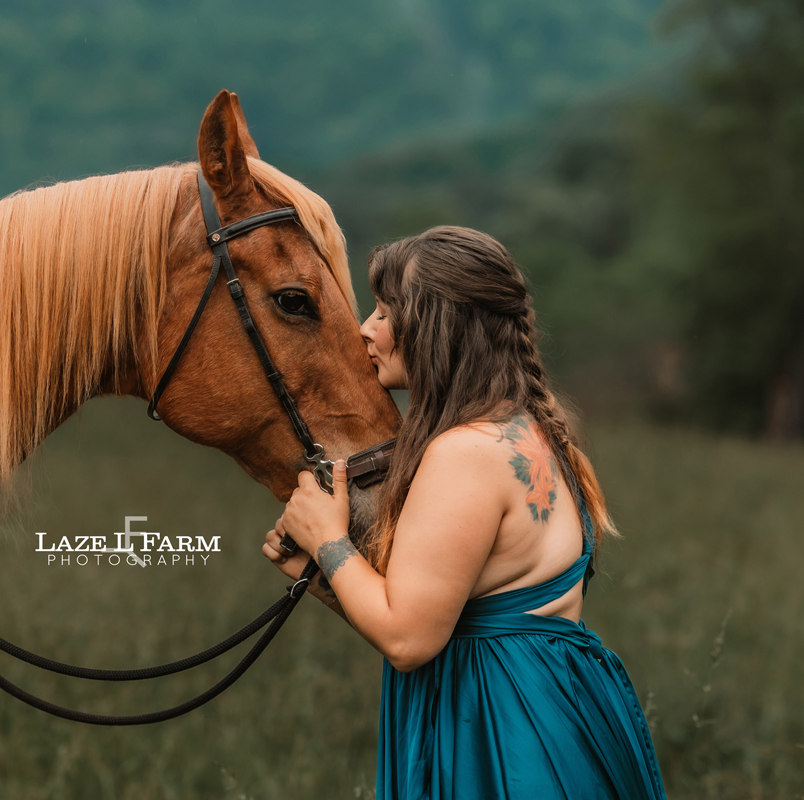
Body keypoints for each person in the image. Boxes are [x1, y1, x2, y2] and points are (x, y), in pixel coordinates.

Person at [262, 226, 666, 799]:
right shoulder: (542, 432)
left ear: (435, 327)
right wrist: (327, 572)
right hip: (561, 704)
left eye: (384, 312)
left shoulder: (464, 453)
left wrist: (330, 540)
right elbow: (436, 616)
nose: (365, 329)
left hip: (499, 728)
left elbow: (407, 641)